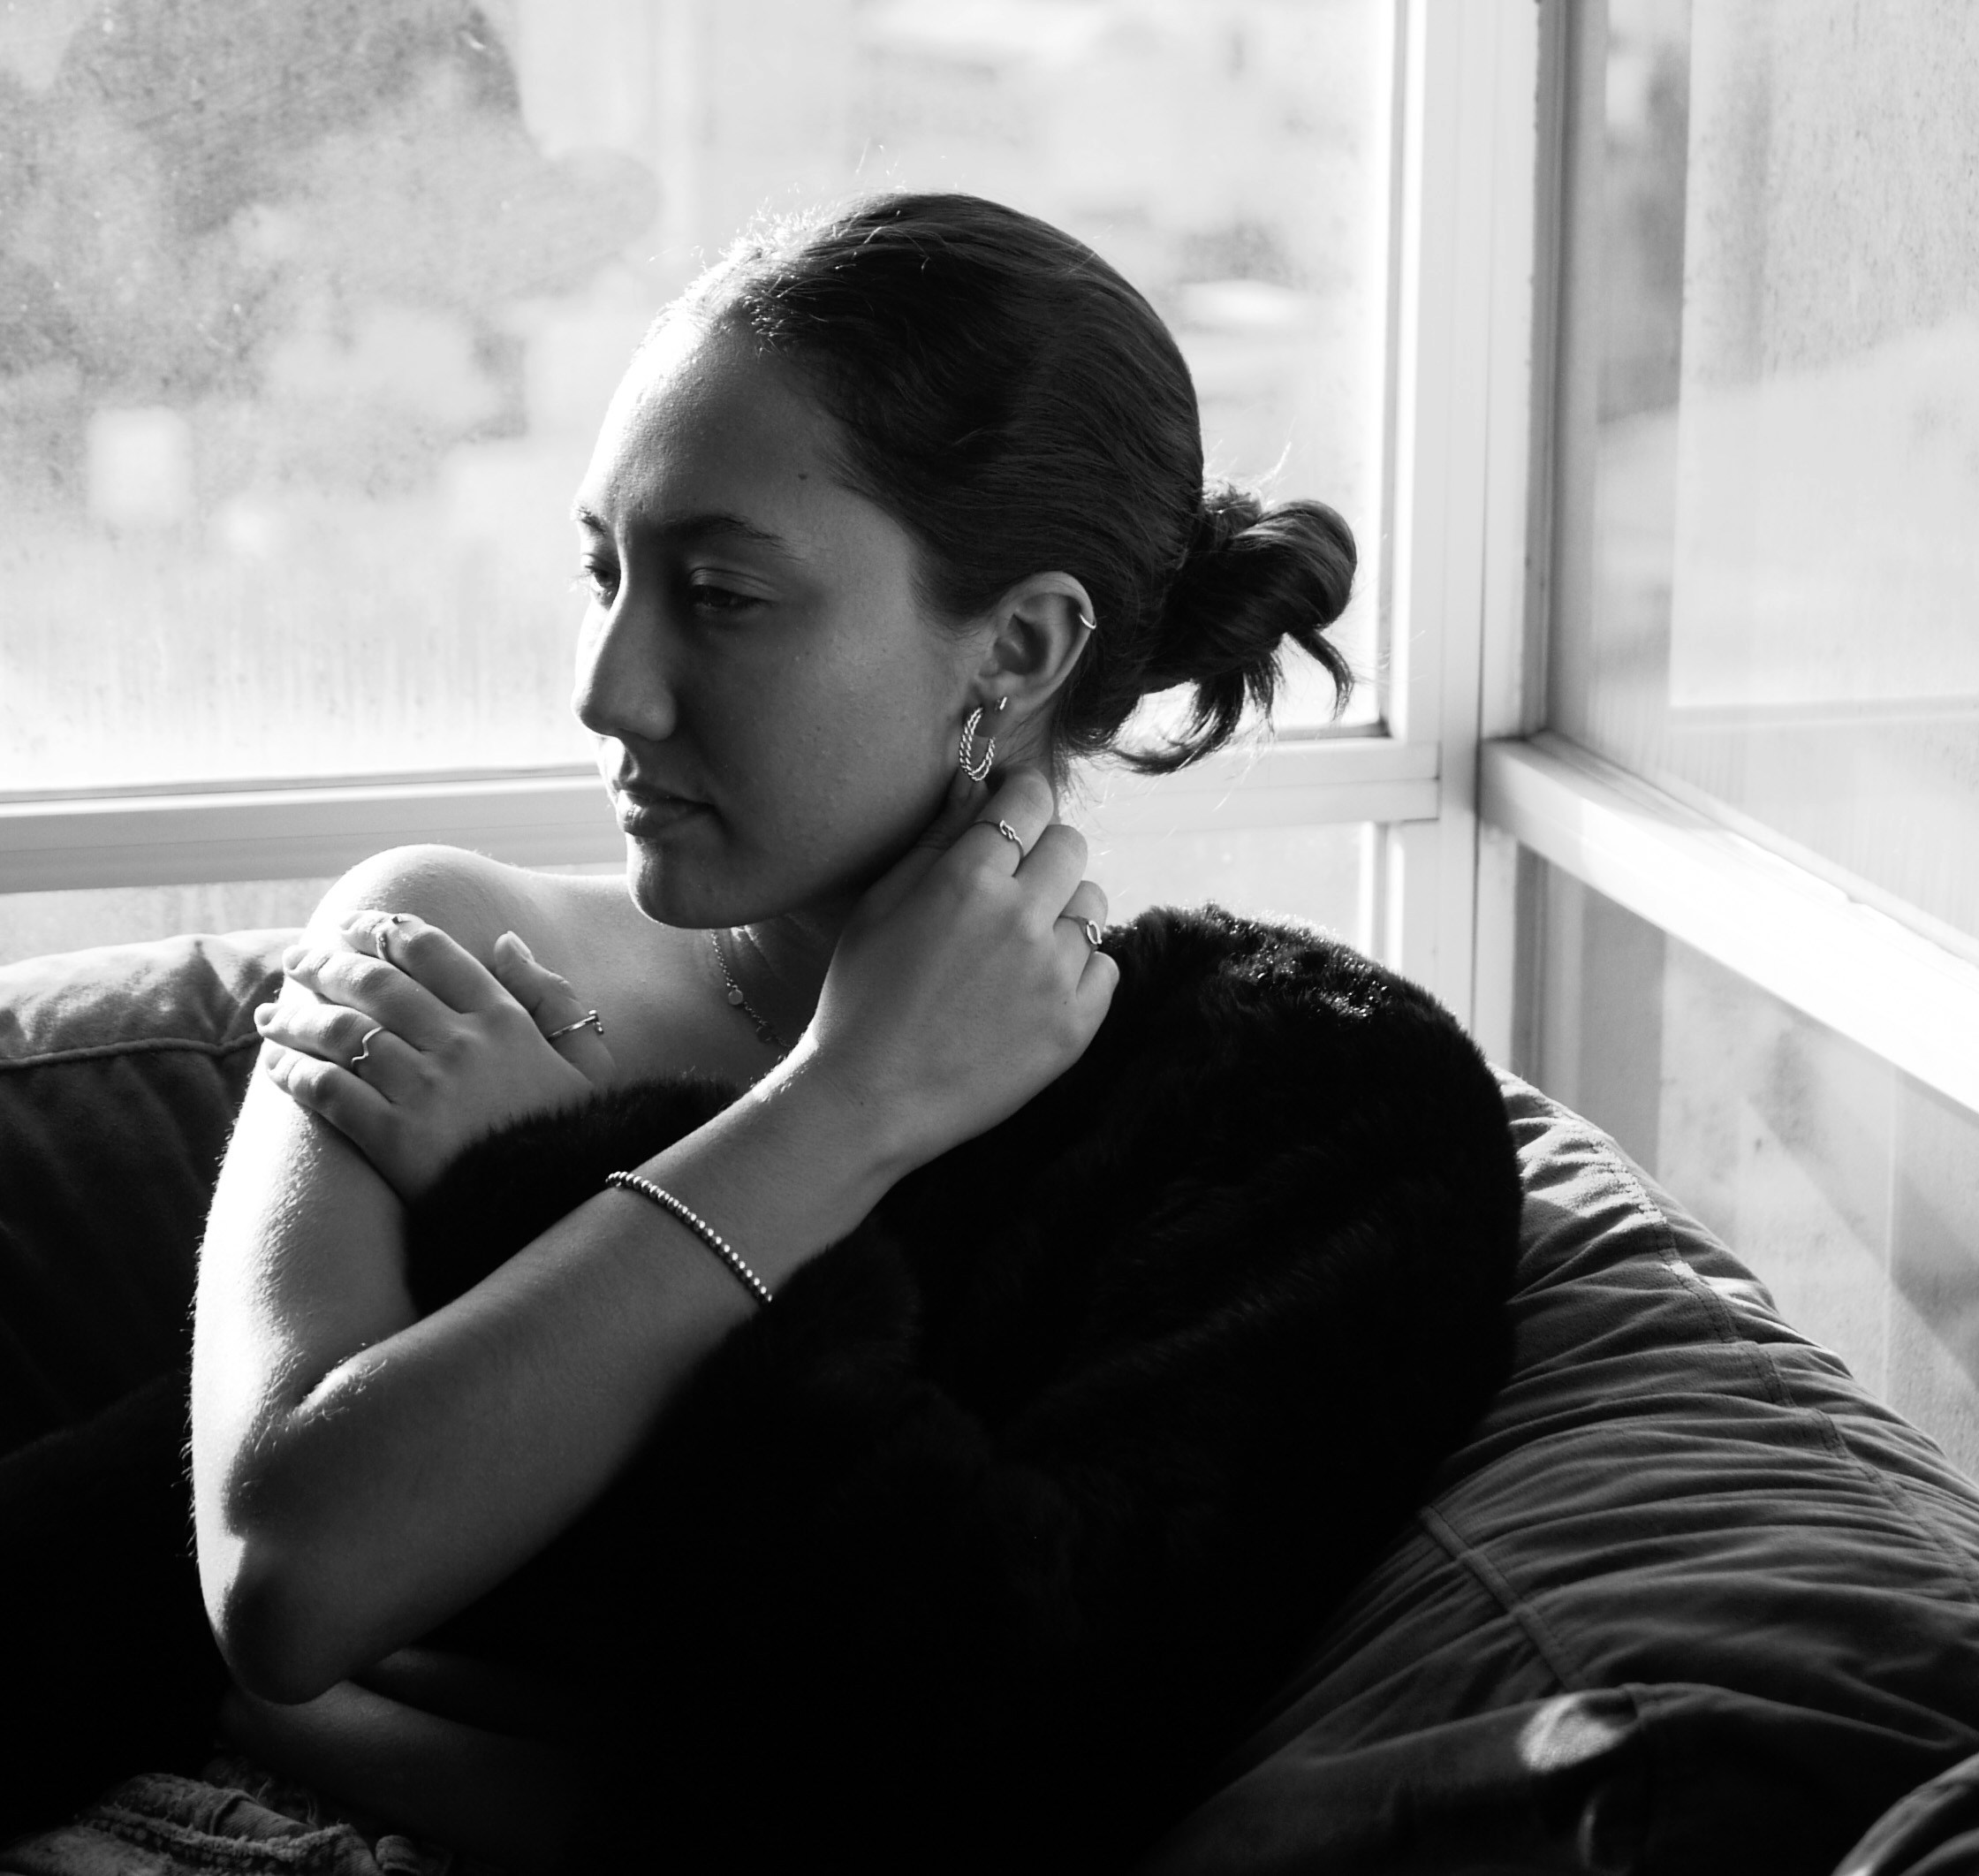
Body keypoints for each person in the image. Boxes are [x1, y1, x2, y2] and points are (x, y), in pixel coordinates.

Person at [178, 191, 1520, 1874]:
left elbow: (991, 1771)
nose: (606, 689)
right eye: (604, 571)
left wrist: (634, 1162)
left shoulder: (1292, 1106)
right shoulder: (446, 955)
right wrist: (836, 1109)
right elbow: (290, 1579)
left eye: (720, 593)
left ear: (1018, 649)